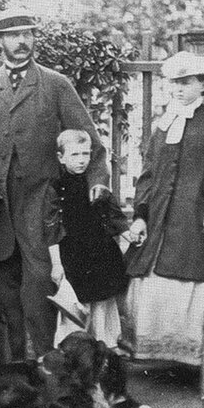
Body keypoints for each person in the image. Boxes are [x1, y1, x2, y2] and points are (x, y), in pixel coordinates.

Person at [0, 8, 110, 359]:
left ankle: (45, 362)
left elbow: (90, 140)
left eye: (28, 33)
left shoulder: (55, 84)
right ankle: (13, 364)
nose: (22, 41)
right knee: (1, 281)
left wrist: (98, 182)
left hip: (42, 202)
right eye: (13, 35)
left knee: (40, 281)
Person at [124, 51, 204, 373]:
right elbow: (149, 173)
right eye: (174, 83)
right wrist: (141, 213)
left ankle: (199, 360)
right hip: (162, 222)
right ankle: (167, 357)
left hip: (200, 222)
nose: (178, 89)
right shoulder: (163, 125)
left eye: (186, 83)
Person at [43, 130, 130, 349]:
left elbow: (112, 213)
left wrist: (128, 233)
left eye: (85, 154)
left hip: (99, 254)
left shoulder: (95, 184)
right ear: (61, 157)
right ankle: (75, 356)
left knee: (101, 307)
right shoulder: (56, 188)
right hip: (72, 256)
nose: (81, 160)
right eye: (74, 155)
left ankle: (105, 351)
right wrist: (56, 264)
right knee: (76, 312)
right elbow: (52, 227)